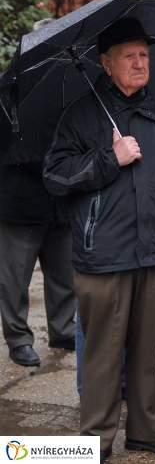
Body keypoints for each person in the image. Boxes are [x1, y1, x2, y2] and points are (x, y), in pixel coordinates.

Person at [43, 17, 155, 463]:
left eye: (144, 55)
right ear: (106, 64)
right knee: (103, 356)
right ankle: (96, 439)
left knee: (146, 351)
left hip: (154, 253)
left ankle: (147, 431)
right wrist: (110, 158)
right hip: (103, 255)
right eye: (128, 56)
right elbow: (55, 175)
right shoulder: (81, 114)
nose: (139, 62)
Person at [0, 18, 75, 368]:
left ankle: (63, 329)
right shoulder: (14, 85)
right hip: (21, 201)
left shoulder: (73, 86)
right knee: (15, 278)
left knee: (64, 274)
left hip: (62, 201)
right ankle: (18, 339)